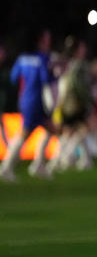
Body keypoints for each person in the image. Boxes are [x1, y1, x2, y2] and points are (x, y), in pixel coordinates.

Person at [1, 29, 55, 181]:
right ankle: (6, 168)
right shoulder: (43, 59)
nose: (48, 42)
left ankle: (38, 165)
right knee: (24, 134)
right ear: (40, 41)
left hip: (25, 99)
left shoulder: (22, 58)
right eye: (46, 39)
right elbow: (46, 80)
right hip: (36, 102)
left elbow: (13, 78)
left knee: (52, 129)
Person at [50, 36, 95, 173]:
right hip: (74, 101)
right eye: (82, 47)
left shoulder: (63, 62)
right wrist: (88, 100)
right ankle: (65, 156)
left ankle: (84, 160)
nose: (84, 50)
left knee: (69, 130)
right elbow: (78, 85)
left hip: (62, 101)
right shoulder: (78, 65)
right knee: (83, 129)